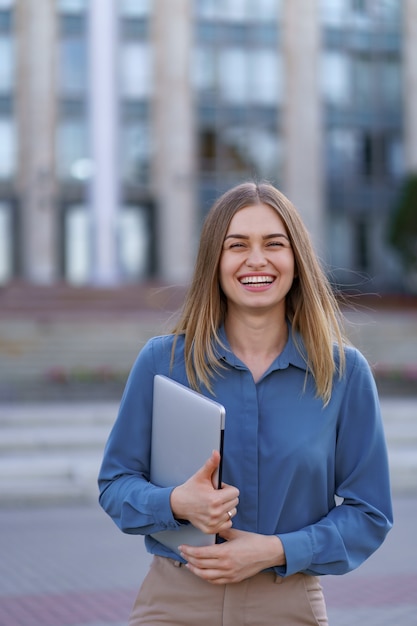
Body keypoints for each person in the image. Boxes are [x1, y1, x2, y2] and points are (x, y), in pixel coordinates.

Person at [98, 181, 393, 626]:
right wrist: (177, 502)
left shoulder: (344, 373)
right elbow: (115, 485)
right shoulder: (162, 362)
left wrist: (275, 550)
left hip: (287, 603)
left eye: (274, 243)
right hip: (173, 603)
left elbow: (370, 514)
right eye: (237, 245)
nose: (257, 259)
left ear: (296, 259)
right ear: (214, 262)